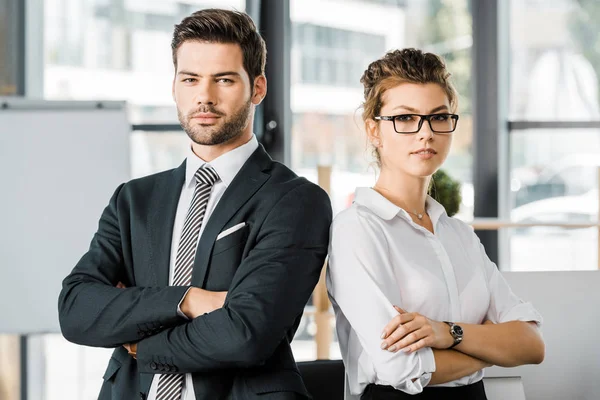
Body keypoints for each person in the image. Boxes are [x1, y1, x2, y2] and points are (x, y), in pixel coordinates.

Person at [58, 9, 332, 400]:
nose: (204, 96)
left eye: (223, 79)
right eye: (190, 79)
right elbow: (76, 310)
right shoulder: (134, 200)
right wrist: (188, 300)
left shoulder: (295, 200)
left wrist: (141, 343)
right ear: (174, 87)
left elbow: (245, 333)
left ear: (257, 88)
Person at [326, 48, 545, 400]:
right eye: (405, 118)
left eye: (438, 117)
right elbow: (400, 368)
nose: (425, 133)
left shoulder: (458, 234)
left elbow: (532, 345)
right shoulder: (357, 230)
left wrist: (448, 333)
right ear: (374, 130)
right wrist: (490, 345)